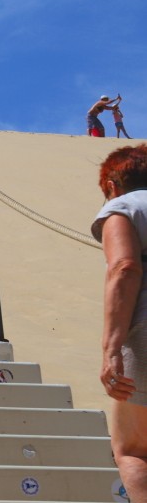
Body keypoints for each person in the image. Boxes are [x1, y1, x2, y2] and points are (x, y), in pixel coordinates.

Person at [92, 144, 147, 500]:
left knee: (132, 450)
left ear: (112, 184)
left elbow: (124, 268)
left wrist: (111, 348)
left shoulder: (123, 208)